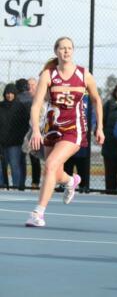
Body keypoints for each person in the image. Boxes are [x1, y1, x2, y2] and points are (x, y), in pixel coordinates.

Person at [26, 36, 104, 227]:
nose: (66, 51)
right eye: (62, 48)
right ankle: (70, 181)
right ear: (56, 51)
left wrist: (99, 126)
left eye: (69, 48)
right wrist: (36, 130)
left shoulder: (84, 75)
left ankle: (38, 213)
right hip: (51, 129)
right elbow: (36, 105)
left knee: (51, 163)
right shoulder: (48, 75)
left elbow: (96, 100)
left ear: (73, 51)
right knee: (53, 170)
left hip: (73, 129)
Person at [0, 83, 30, 190]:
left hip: (15, 142)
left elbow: (25, 124)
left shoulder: (20, 107)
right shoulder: (1, 106)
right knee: (1, 166)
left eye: (11, 93)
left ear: (15, 94)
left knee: (14, 165)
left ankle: (15, 186)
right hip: (2, 142)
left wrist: (21, 137)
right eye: (7, 93)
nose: (9, 95)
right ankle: (2, 185)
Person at [27, 77, 41, 189]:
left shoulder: (41, 98)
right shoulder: (28, 99)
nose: (30, 87)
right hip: (33, 132)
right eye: (29, 85)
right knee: (34, 159)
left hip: (42, 132)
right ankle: (35, 183)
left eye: (33, 85)